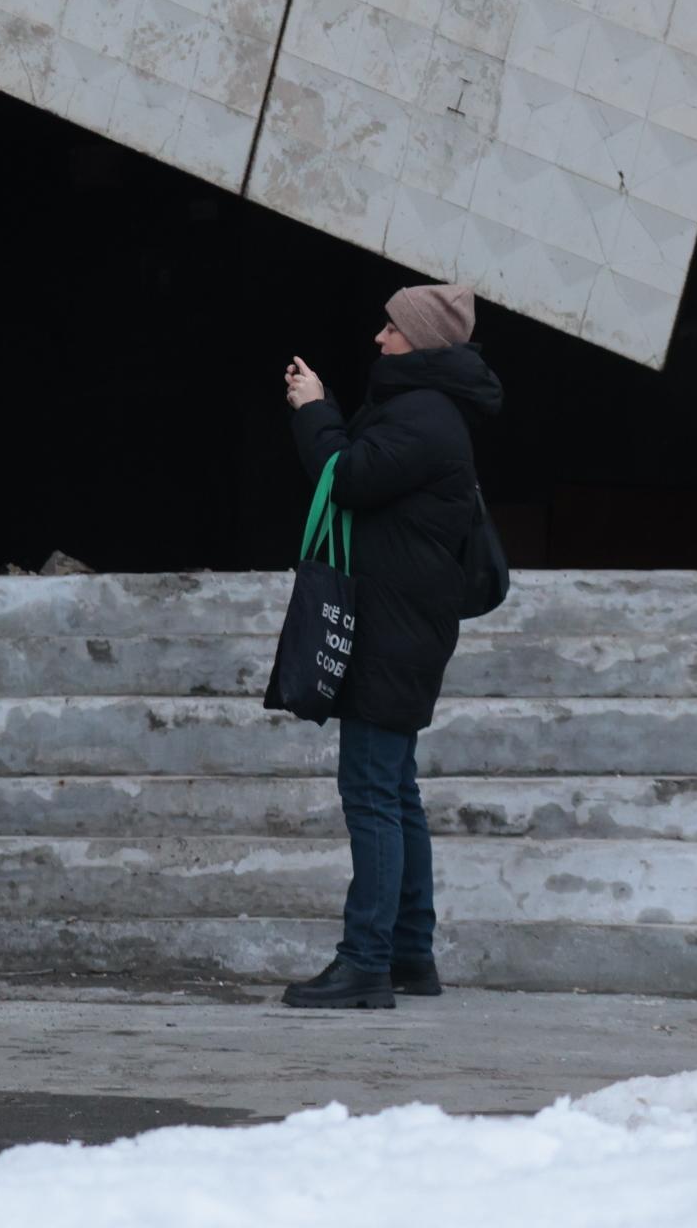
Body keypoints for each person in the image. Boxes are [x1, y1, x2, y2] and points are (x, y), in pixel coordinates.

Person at [276, 281, 502, 1011]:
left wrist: (315, 411)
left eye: (393, 328)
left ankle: (366, 960)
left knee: (372, 792)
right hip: (404, 625)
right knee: (396, 793)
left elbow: (346, 479)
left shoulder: (425, 418)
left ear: (425, 341)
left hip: (394, 631)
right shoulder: (422, 411)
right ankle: (410, 954)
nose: (379, 337)